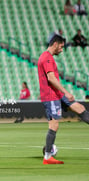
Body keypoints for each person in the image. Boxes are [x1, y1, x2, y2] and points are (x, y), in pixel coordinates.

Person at [38, 34, 89, 164]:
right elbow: (51, 78)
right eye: (61, 47)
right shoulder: (47, 58)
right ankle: (48, 157)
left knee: (80, 108)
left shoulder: (47, 57)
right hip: (51, 96)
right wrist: (66, 92)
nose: (61, 50)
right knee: (54, 124)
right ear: (55, 44)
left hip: (57, 95)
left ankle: (48, 154)